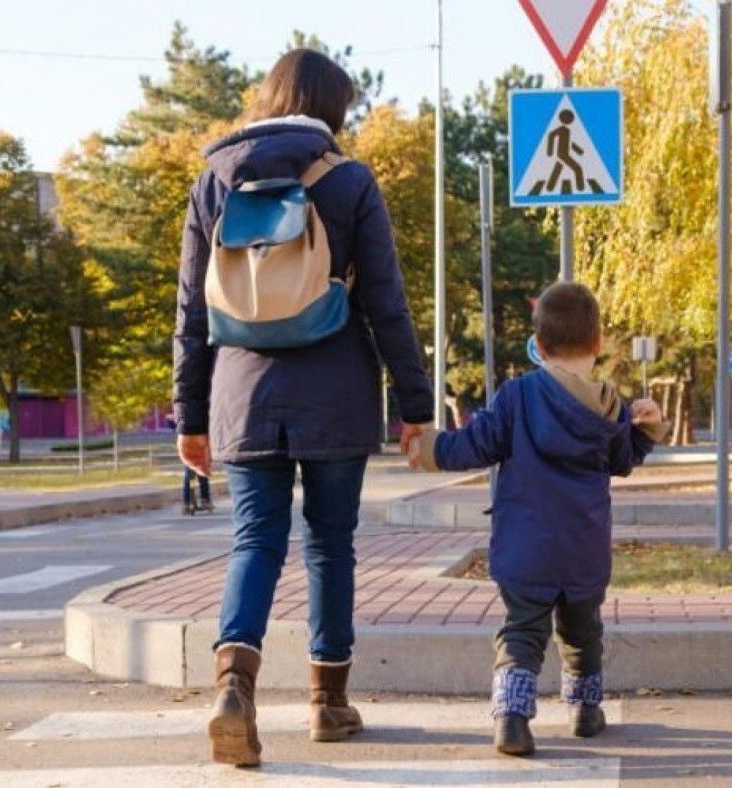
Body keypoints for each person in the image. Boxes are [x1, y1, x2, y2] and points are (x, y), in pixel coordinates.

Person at [173, 48, 432, 767]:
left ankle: (233, 688)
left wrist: (189, 416)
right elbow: (386, 303)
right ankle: (328, 702)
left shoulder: (213, 181)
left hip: (241, 390)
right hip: (337, 391)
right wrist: (416, 406)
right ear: (333, 108)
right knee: (329, 543)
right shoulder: (348, 180)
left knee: (255, 540)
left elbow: (191, 311)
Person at [407, 282, 667, 757]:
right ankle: (586, 710)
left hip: (526, 545)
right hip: (583, 546)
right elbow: (623, 460)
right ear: (598, 342)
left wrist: (429, 450)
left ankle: (511, 717)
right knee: (582, 629)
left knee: (522, 630)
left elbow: (475, 444)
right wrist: (646, 428)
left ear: (539, 344)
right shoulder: (610, 405)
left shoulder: (517, 396)